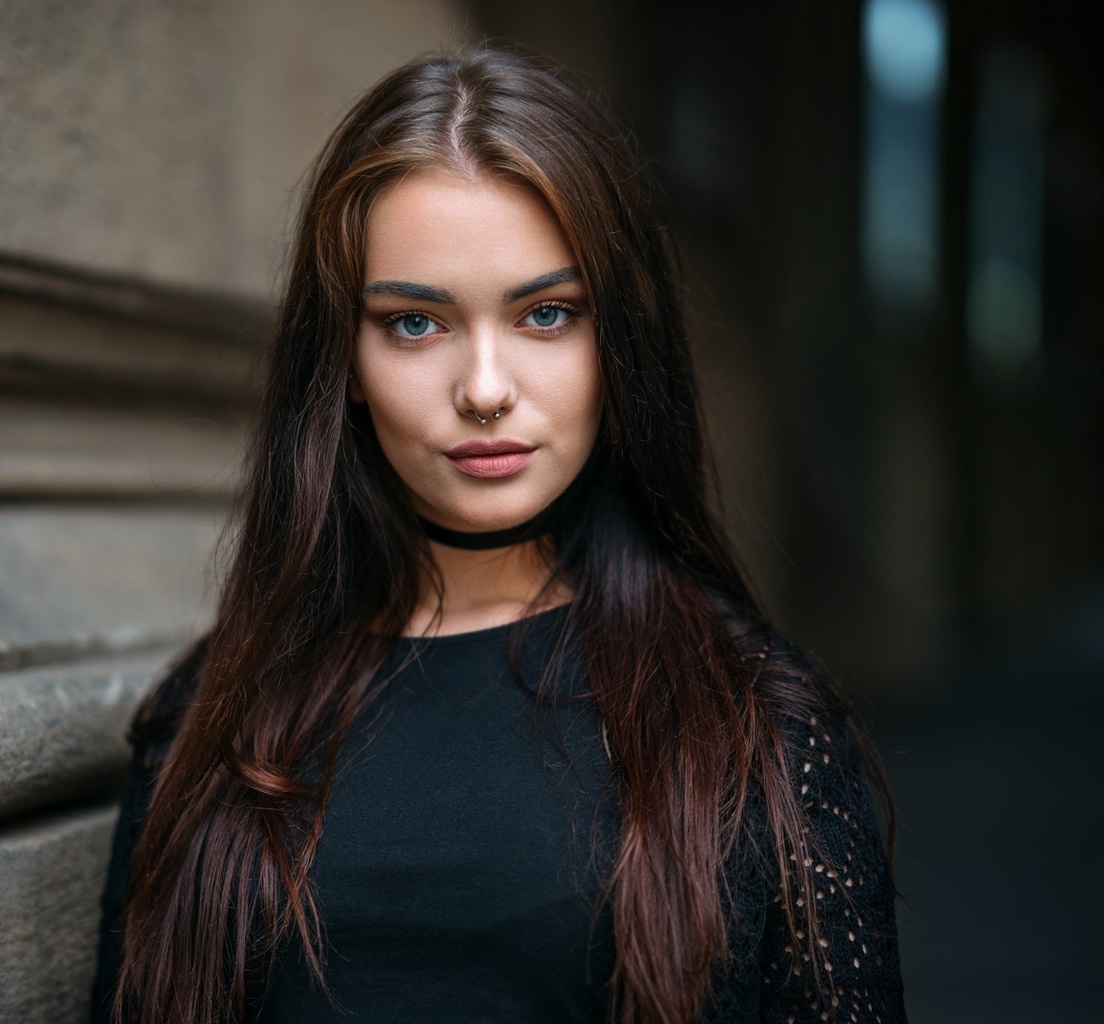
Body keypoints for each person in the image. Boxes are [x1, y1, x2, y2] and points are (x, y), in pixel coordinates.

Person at [91, 48, 905, 1024]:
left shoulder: (759, 726)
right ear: (343, 359)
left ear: (619, 346)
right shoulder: (210, 719)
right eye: (414, 324)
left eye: (546, 314)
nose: (483, 388)